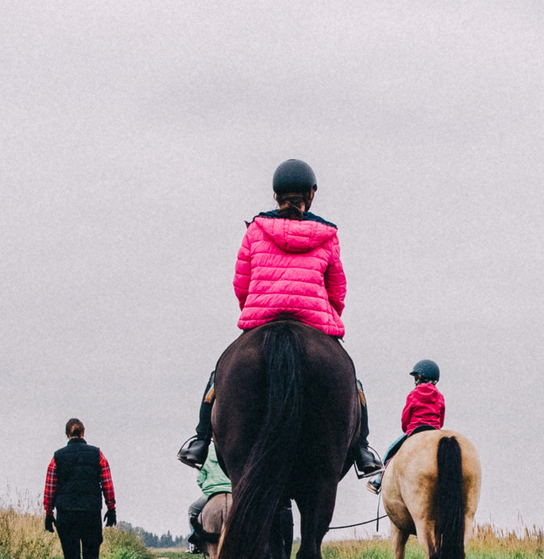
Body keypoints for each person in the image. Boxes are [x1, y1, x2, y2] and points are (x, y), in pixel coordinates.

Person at [177, 158, 382, 477]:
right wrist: (328, 322)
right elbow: (337, 288)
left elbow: (241, 284)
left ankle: (200, 440)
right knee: (352, 382)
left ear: (275, 196)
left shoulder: (255, 231)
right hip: (314, 322)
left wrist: (254, 311)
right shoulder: (327, 235)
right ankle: (363, 450)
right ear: (311, 195)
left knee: (219, 376)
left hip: (263, 318)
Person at [43, 418, 116, 559]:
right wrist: (111, 507)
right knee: (91, 554)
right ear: (83, 432)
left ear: (67, 434)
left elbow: (50, 487)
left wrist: (49, 513)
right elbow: (106, 481)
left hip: (66, 514)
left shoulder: (57, 457)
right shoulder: (96, 454)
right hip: (91, 512)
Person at [383, 359, 444, 466]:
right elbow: (442, 421)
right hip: (434, 433)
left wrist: (407, 430)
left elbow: (405, 419)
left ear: (420, 378)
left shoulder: (413, 395)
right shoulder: (440, 397)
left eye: (416, 377)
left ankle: (378, 479)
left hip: (414, 431)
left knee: (390, 451)